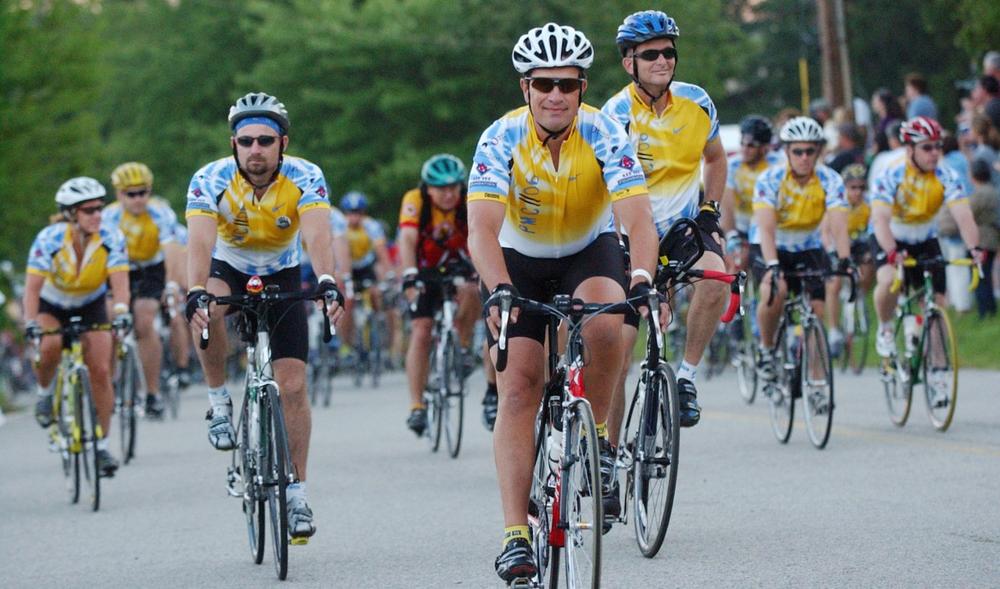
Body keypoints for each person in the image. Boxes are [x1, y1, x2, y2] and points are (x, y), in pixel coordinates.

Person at [468, 22, 656, 582]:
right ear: (525, 87)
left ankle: (595, 436)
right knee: (519, 387)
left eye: (567, 84)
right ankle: (514, 536)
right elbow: (481, 230)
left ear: (582, 88)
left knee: (607, 320)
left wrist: (642, 276)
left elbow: (638, 217)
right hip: (517, 260)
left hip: (586, 252)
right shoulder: (500, 137)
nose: (556, 95)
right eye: (544, 83)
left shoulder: (605, 132)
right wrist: (499, 287)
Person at [184, 92, 343, 541]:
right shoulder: (209, 178)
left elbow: (317, 235)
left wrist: (327, 279)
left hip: (281, 271)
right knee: (208, 309)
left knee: (292, 386)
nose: (255, 150)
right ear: (233, 144)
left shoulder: (306, 175)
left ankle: (297, 494)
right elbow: (199, 242)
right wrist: (195, 291)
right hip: (228, 268)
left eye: (265, 141)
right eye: (246, 141)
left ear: (282, 144)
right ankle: (218, 401)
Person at [603, 9, 729, 440]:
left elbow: (716, 159)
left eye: (669, 52)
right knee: (620, 355)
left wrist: (710, 209)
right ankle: (609, 450)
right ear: (629, 63)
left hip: (679, 228)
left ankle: (687, 376)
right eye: (651, 54)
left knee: (716, 278)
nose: (662, 61)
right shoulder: (615, 114)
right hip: (628, 234)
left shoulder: (698, 102)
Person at [25, 177, 131, 477]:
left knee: (101, 370)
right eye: (89, 210)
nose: (98, 215)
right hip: (52, 303)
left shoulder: (111, 236)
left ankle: (101, 447)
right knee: (49, 345)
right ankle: (45, 393)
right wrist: (30, 322)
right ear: (71, 214)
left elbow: (120, 284)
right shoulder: (49, 239)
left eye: (100, 208)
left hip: (90, 303)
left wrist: (121, 312)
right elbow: (32, 289)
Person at [871, 117, 984, 359]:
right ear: (910, 149)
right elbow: (880, 219)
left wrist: (974, 248)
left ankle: (937, 365)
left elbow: (964, 216)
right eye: (927, 147)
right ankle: (885, 327)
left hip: (925, 237)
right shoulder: (891, 173)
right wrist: (892, 251)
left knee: (936, 301)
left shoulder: (946, 174)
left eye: (938, 146)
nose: (934, 153)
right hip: (891, 234)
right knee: (888, 280)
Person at [751, 117, 853, 380]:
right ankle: (766, 348)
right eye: (798, 151)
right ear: (786, 151)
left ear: (818, 151)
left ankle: (816, 382)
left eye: (810, 151)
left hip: (808, 245)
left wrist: (844, 258)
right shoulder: (770, 179)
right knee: (775, 290)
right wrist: (773, 265)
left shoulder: (830, 179)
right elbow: (766, 229)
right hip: (771, 244)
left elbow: (839, 223)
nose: (804, 157)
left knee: (817, 310)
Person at [398, 154, 492, 433]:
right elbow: (407, 238)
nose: (449, 194)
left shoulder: (469, 199)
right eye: (441, 188)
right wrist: (409, 275)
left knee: (472, 290)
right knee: (421, 329)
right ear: (427, 188)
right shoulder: (415, 200)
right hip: (425, 269)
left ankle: (462, 346)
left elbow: (482, 233)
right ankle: (417, 406)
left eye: (453, 187)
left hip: (461, 265)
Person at [103, 162, 179, 418]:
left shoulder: (160, 213)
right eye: (130, 194)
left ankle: (152, 393)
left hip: (150, 269)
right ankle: (109, 384)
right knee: (110, 320)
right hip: (118, 268)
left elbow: (171, 252)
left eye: (143, 192)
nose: (138, 199)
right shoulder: (108, 217)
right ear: (119, 194)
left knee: (144, 322)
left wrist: (171, 284)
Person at [824, 164, 875, 352]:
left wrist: (872, 250)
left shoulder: (869, 203)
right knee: (835, 283)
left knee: (868, 268)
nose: (857, 192)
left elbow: (875, 227)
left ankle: (860, 294)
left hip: (859, 242)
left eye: (861, 187)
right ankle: (833, 330)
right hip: (837, 243)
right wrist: (831, 250)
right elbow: (825, 231)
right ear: (845, 188)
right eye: (853, 188)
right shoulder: (837, 202)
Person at [721, 115, 785, 263]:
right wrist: (731, 234)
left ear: (764, 148)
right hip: (740, 225)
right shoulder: (733, 165)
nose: (744, 149)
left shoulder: (778, 164)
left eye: (751, 145)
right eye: (742, 144)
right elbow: (726, 206)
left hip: (769, 225)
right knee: (734, 264)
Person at [337, 191, 390, 354]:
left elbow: (381, 252)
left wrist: (388, 275)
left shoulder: (371, 226)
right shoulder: (340, 226)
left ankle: (378, 321)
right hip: (347, 267)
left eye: (358, 213)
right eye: (350, 213)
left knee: (375, 293)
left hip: (365, 267)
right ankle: (346, 343)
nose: (354, 217)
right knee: (347, 301)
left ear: (363, 213)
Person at [968, 159, 999, 317]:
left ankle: (984, 311)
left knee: (980, 275)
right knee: (986, 274)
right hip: (992, 238)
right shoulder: (994, 191)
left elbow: (968, 214)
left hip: (980, 239)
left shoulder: (979, 194)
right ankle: (991, 308)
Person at [871, 88, 906, 155]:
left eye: (875, 101)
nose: (873, 104)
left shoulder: (891, 122)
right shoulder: (882, 122)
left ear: (882, 103)